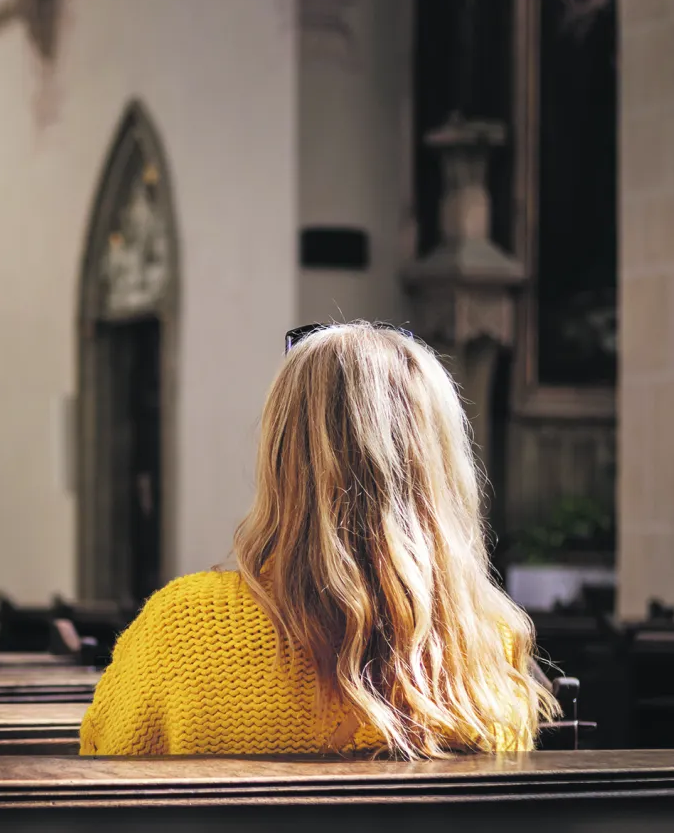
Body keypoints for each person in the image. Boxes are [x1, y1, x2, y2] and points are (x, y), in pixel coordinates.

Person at [79, 321, 559, 759]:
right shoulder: (486, 647)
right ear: (437, 466)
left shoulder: (183, 629)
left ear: (281, 456)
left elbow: (101, 781)